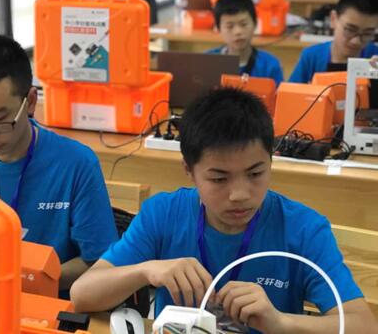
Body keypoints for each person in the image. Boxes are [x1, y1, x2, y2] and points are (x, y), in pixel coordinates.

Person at [70, 88, 377, 333]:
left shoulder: (303, 229)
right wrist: (146, 270)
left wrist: (281, 323)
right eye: (219, 179)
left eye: (255, 173)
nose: (239, 195)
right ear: (189, 170)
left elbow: (363, 325)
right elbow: (82, 295)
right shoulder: (163, 214)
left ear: (271, 161)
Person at [0, 35, 118, 292]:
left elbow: (98, 262)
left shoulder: (76, 164)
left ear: (31, 102)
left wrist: (25, 281)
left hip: (45, 302)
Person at [289, 0, 378, 84]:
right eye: (350, 30)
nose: (356, 41)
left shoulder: (375, 57)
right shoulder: (311, 58)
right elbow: (289, 92)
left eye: (367, 33)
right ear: (333, 19)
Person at [208, 0, 284, 86]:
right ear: (218, 29)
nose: (238, 32)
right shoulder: (208, 61)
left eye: (243, 24)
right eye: (229, 26)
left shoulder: (270, 65)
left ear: (255, 24)